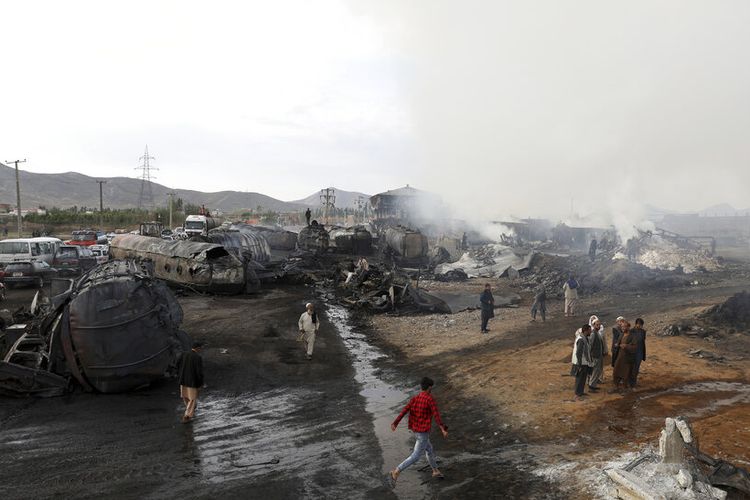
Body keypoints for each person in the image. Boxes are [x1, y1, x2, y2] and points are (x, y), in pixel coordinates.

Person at [388, 377, 448, 487]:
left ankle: (435, 471)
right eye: (431, 387)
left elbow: (404, 410)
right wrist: (442, 428)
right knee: (415, 456)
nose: (432, 389)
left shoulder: (415, 398)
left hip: (415, 430)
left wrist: (395, 423)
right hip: (422, 433)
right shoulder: (430, 399)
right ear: (429, 387)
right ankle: (396, 471)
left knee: (429, 449)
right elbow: (436, 415)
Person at [179, 342, 205, 423]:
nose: (201, 349)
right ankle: (187, 416)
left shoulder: (184, 354)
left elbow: (177, 365)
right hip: (192, 382)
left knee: (185, 396)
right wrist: (200, 383)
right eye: (200, 348)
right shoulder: (197, 357)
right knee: (192, 399)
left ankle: (189, 408)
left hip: (183, 380)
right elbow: (198, 372)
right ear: (197, 348)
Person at [611, 321, 637, 393]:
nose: (623, 328)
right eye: (622, 327)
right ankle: (616, 387)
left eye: (624, 326)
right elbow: (618, 343)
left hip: (627, 358)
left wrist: (626, 346)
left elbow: (635, 347)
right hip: (620, 357)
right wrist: (617, 345)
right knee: (616, 371)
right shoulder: (621, 334)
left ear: (628, 327)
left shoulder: (632, 336)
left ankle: (625, 389)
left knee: (625, 374)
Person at [571, 324, 594, 401]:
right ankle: (577, 395)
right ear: (586, 330)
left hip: (584, 362)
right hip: (580, 363)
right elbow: (579, 353)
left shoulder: (585, 338)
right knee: (579, 378)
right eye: (590, 330)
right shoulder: (581, 339)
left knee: (583, 378)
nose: (591, 331)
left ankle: (580, 392)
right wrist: (579, 364)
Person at [587, 316, 608, 391]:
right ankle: (592, 385)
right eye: (597, 325)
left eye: (599, 325)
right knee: (596, 371)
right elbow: (590, 346)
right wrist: (590, 356)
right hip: (595, 356)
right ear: (593, 325)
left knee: (598, 370)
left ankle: (593, 384)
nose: (598, 326)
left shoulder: (597, 333)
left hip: (599, 355)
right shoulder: (593, 334)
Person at [630, 318, 647, 387]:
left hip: (640, 352)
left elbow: (643, 341)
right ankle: (630, 382)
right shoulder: (631, 331)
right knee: (631, 367)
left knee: (637, 368)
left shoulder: (643, 331)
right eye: (639, 324)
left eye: (641, 325)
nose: (640, 326)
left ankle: (634, 382)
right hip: (632, 352)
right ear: (636, 324)